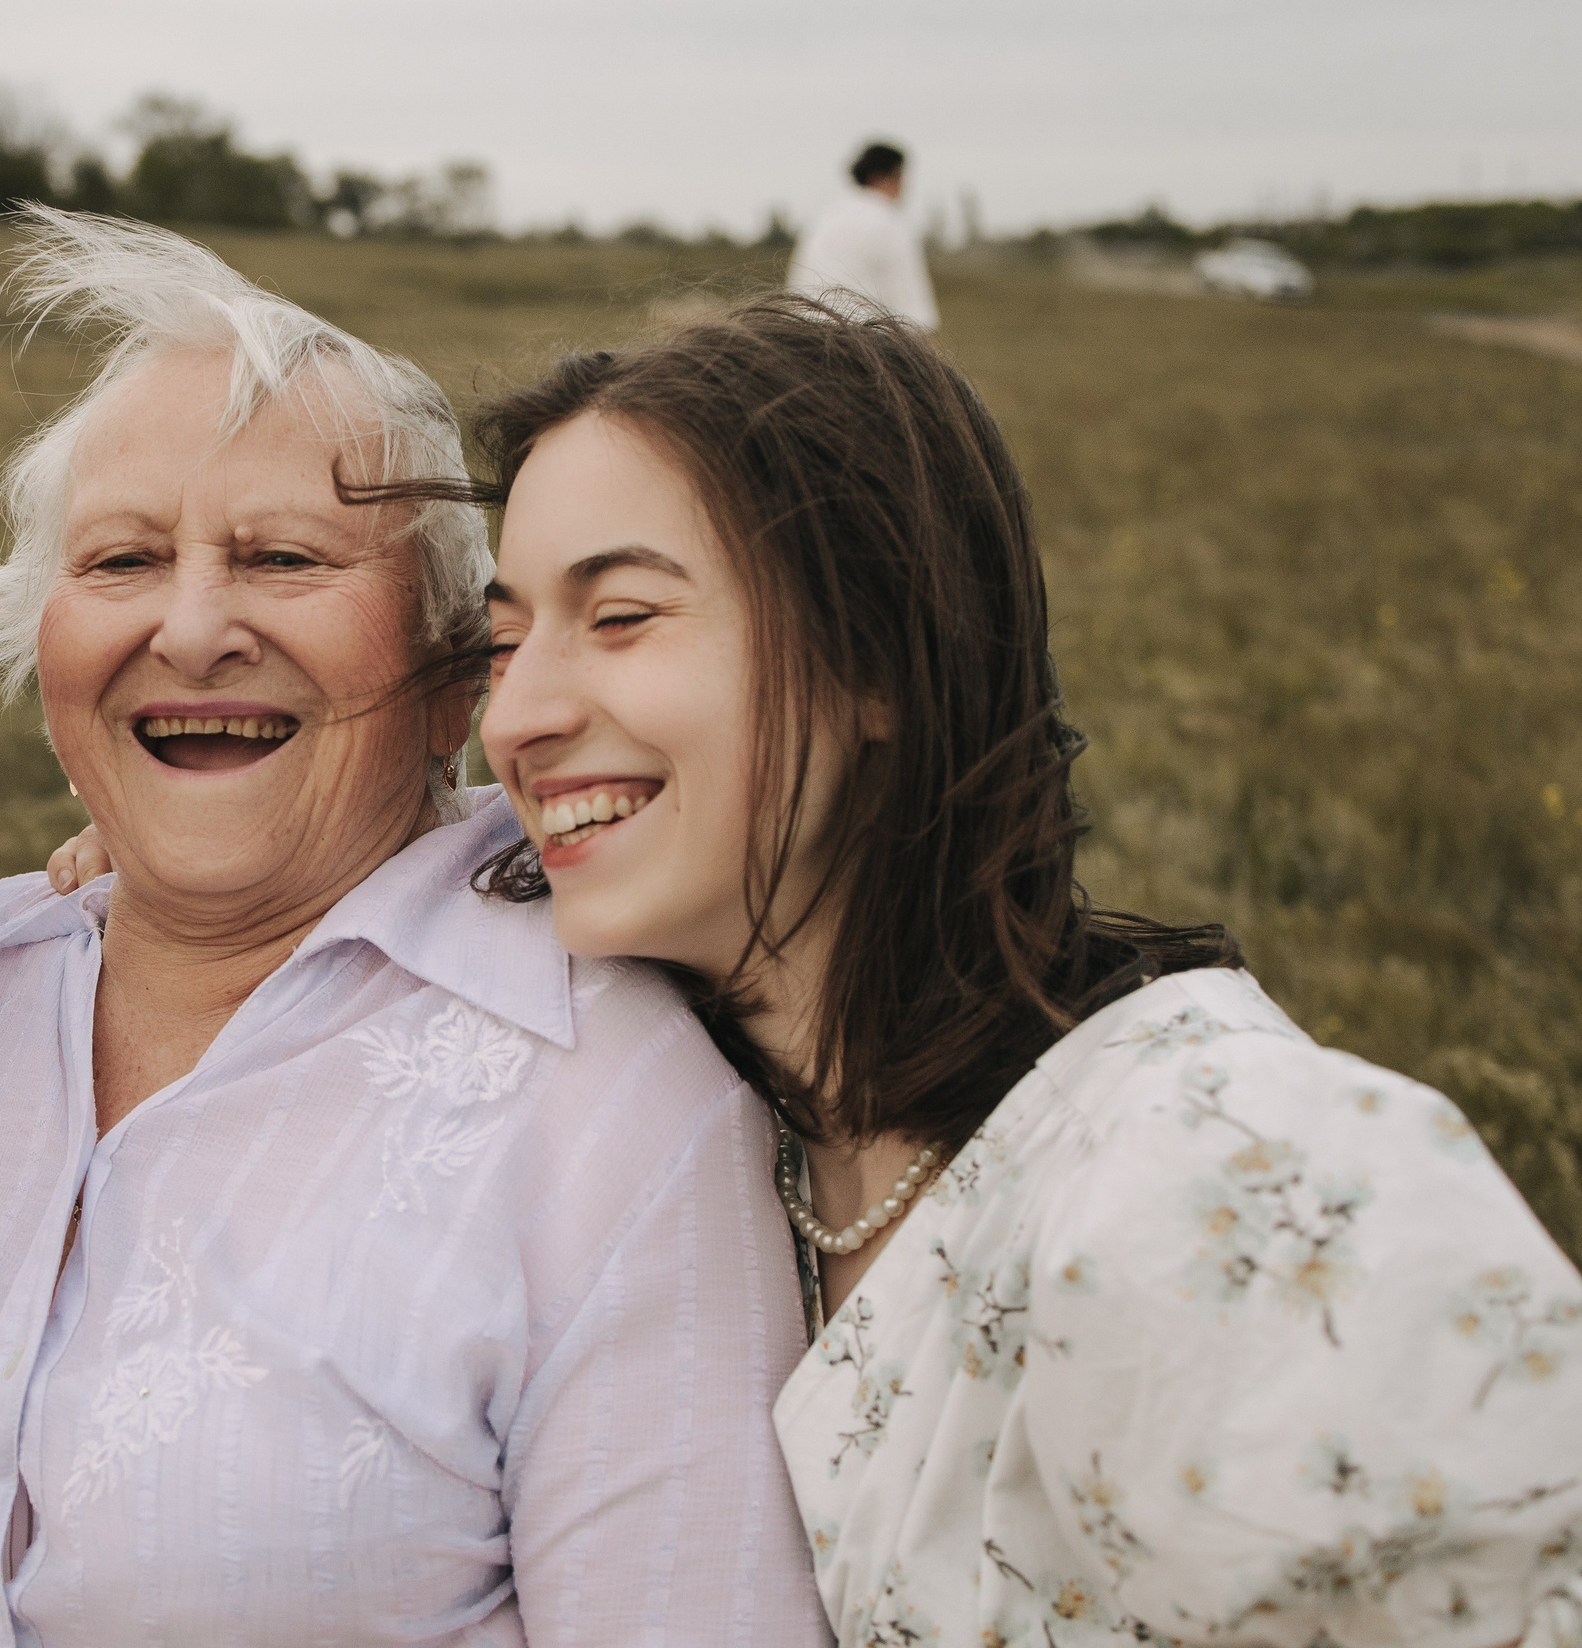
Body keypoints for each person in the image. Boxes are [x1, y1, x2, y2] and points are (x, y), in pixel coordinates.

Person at [0, 209, 828, 1647]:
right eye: (124, 561)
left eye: (282, 559)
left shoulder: (612, 1103)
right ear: (49, 651)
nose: (192, 627)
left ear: (455, 672)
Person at [471, 296, 1582, 1646]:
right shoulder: (685, 1134)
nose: (515, 716)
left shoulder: (1222, 1174)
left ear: (875, 653)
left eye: (624, 614)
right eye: (503, 638)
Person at [786, 142, 939, 331]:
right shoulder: (889, 222)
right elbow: (913, 313)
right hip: (863, 345)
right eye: (900, 177)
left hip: (804, 336)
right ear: (882, 177)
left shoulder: (825, 218)